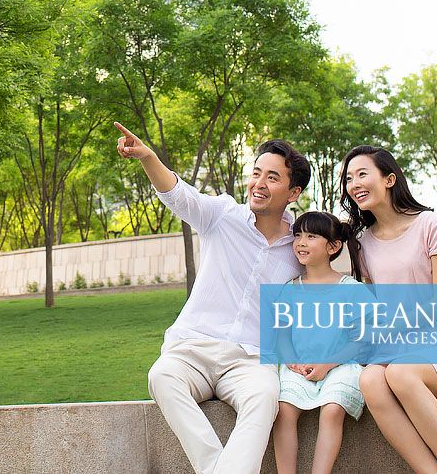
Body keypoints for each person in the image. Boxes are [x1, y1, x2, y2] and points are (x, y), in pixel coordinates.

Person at [115, 122, 305, 474]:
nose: (258, 185)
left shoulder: (299, 245)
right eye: (256, 173)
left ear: (293, 192)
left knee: (265, 396)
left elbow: (327, 276)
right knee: (162, 377)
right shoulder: (222, 215)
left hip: (249, 359)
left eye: (272, 178)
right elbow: (178, 194)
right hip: (193, 348)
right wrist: (148, 157)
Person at [340, 145, 437, 474]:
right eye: (348, 178)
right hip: (395, 348)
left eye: (362, 174)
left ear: (389, 179)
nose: (353, 183)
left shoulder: (430, 224)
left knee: (399, 373)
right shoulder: (363, 244)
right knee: (370, 380)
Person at [270, 211, 365, 474]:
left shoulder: (352, 289)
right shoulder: (290, 289)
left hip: (341, 365)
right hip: (298, 367)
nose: (301, 242)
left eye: (311, 236)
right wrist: (291, 360)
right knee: (283, 411)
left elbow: (362, 341)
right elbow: (282, 336)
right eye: (298, 235)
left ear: (333, 246)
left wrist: (326, 364)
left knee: (333, 409)